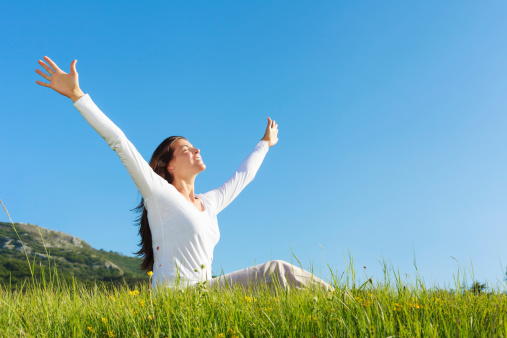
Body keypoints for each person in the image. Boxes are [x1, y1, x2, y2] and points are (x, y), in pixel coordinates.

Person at [35, 56, 332, 291]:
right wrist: (78, 95)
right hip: (178, 298)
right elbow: (119, 142)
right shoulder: (159, 194)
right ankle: (349, 304)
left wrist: (265, 144)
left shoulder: (210, 202)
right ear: (170, 165)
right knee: (278, 271)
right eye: (186, 149)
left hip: (205, 293)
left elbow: (244, 176)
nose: (196, 150)